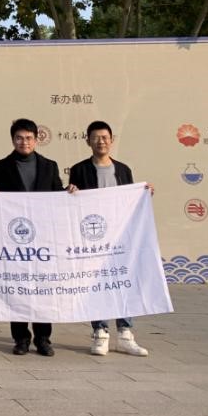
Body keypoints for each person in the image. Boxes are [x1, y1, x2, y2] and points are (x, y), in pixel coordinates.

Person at [67, 120, 150, 357]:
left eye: (104, 137)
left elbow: (130, 200)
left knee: (122, 281)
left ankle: (125, 334)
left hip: (120, 238)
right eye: (95, 138)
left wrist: (144, 193)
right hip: (93, 239)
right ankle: (100, 332)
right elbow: (73, 202)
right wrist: (70, 192)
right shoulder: (79, 169)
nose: (100, 141)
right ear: (88, 141)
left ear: (111, 140)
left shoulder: (123, 170)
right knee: (96, 284)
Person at [0, 118, 67, 357]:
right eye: (20, 138)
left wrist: (70, 192)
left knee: (43, 288)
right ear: (13, 140)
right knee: (18, 288)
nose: (24, 142)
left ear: (36, 139)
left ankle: (43, 339)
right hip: (15, 239)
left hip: (43, 240)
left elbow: (58, 197)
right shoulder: (1, 166)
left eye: (29, 138)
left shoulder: (49, 166)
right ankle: (21, 338)